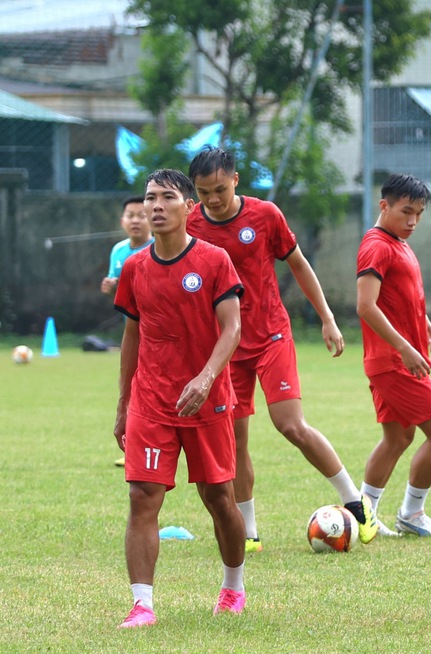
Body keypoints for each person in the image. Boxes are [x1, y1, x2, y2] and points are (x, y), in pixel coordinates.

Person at [186, 146, 378, 551]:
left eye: (220, 189)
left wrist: (326, 317)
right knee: (235, 440)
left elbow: (299, 264)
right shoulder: (190, 227)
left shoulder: (265, 215)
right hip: (226, 347)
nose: (213, 200)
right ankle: (249, 531)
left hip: (271, 335)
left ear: (235, 180)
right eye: (204, 193)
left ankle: (356, 503)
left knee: (290, 424)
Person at [113, 169, 246, 627]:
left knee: (219, 498)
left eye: (167, 197)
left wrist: (206, 377)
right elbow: (132, 336)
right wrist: (123, 404)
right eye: (150, 198)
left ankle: (233, 588)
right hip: (151, 399)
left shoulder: (213, 261)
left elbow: (232, 327)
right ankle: (142, 604)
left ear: (190, 207)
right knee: (142, 496)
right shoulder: (134, 267)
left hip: (206, 399)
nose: (156, 206)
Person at [355, 173, 431, 537]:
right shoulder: (377, 245)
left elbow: (396, 292)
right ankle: (412, 513)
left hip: (395, 359)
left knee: (397, 438)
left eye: (419, 214)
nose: (413, 221)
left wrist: (422, 319)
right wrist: (404, 346)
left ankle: (362, 516)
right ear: (384, 206)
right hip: (394, 362)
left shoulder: (397, 241)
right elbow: (366, 306)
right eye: (406, 212)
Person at [102, 196, 153, 467]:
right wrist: (110, 285)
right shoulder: (119, 251)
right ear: (122, 221)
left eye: (140, 215)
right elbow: (120, 290)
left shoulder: (160, 247)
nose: (135, 220)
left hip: (160, 333)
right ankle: (134, 448)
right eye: (130, 215)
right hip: (134, 333)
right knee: (134, 388)